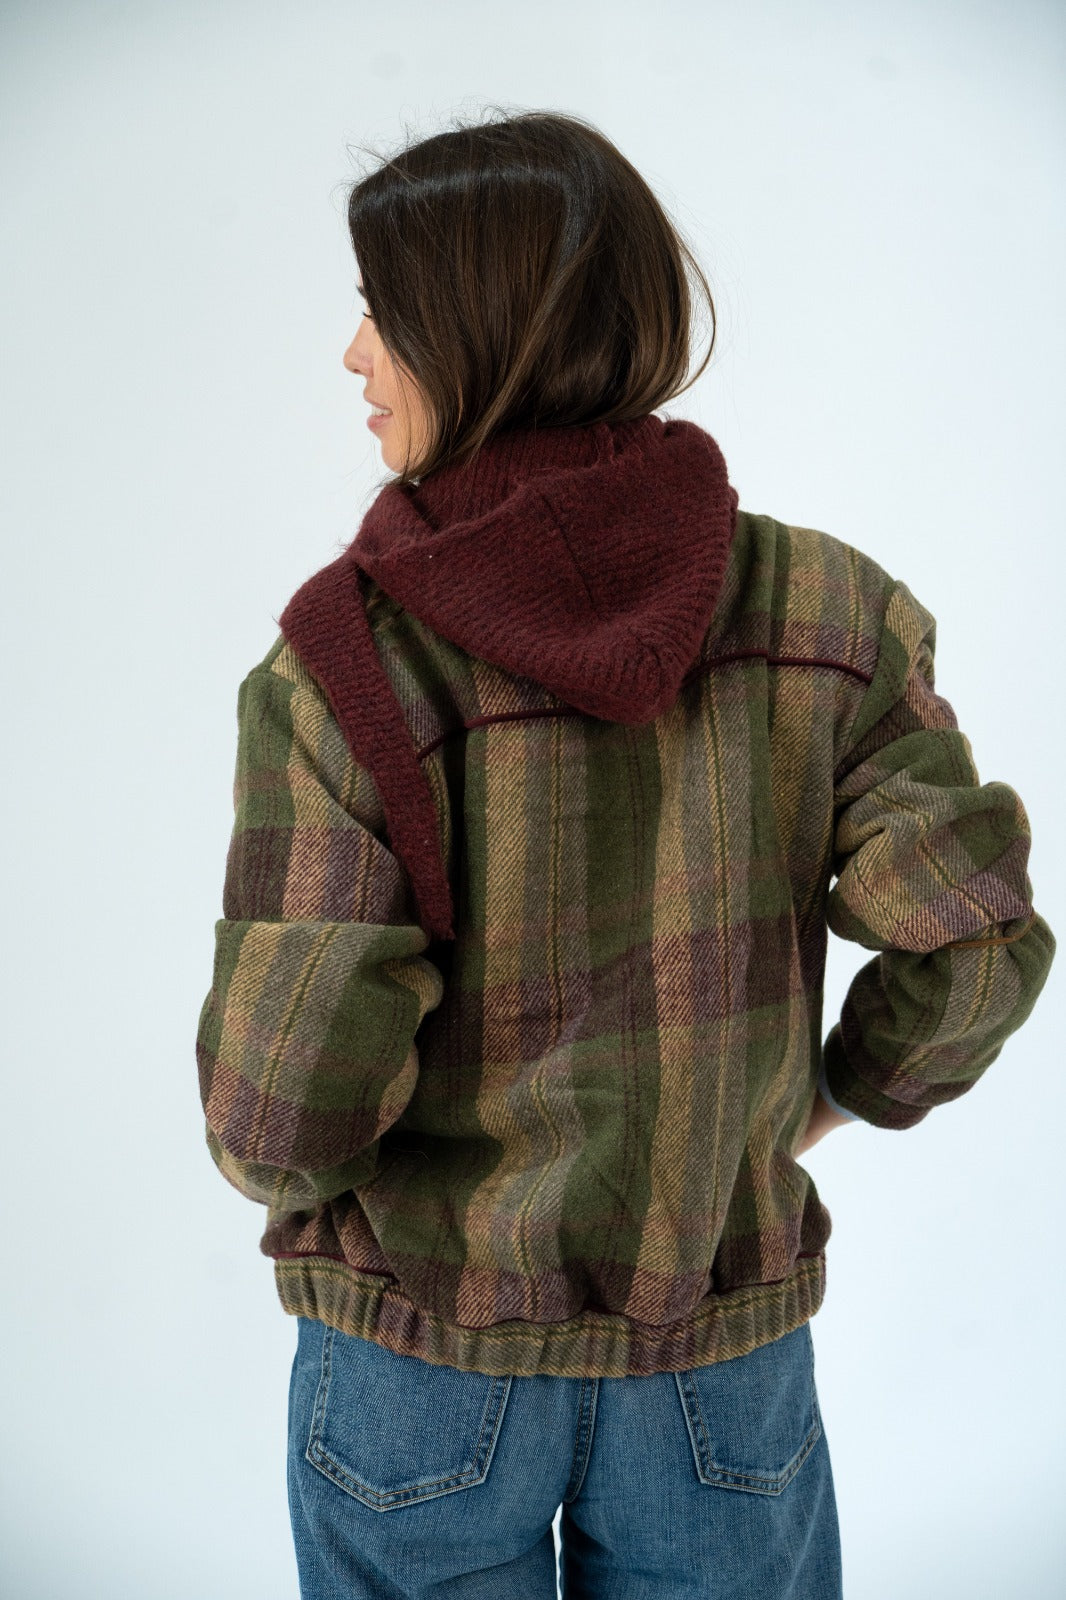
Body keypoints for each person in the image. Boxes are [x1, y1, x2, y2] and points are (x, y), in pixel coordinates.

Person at [195, 108, 1056, 1600]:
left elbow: (280, 1117)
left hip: (421, 1364)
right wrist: (828, 1102)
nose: (352, 355)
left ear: (479, 336)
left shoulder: (343, 663)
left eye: (381, 314)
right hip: (718, 1359)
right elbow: (975, 942)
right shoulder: (828, 612)